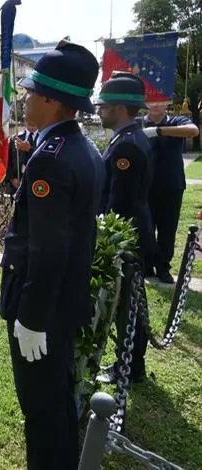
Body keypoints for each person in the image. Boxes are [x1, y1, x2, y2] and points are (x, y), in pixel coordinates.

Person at [0, 39, 103, 469]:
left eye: (30, 93)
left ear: (52, 101)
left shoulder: (51, 159)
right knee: (58, 403)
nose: (24, 100)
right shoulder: (84, 150)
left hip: (43, 310)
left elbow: (48, 248)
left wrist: (32, 317)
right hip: (65, 303)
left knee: (41, 414)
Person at [96, 73, 154, 385]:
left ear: (119, 108)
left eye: (104, 106)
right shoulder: (128, 139)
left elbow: (119, 203)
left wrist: (107, 237)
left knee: (127, 307)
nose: (99, 111)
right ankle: (129, 363)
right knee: (127, 304)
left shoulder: (127, 147)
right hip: (132, 235)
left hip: (126, 238)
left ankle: (130, 367)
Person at [141, 100, 199, 283]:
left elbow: (193, 131)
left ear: (167, 103)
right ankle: (147, 265)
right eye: (152, 100)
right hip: (145, 186)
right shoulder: (138, 123)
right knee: (145, 228)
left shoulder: (176, 121)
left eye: (160, 101)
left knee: (167, 229)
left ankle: (163, 267)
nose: (156, 104)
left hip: (171, 185)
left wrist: (159, 131)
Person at [6, 123, 39, 193]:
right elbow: (7, 161)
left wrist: (30, 150)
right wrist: (12, 178)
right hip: (17, 186)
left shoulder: (44, 138)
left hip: (37, 185)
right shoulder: (15, 138)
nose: (31, 121)